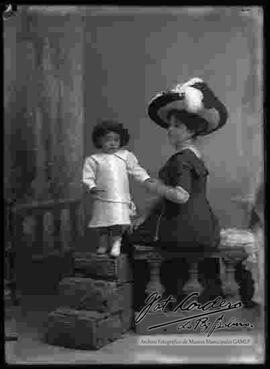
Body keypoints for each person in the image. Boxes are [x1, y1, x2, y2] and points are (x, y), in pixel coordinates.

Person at [130, 77, 228, 302]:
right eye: (170, 125)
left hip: (186, 227)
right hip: (204, 224)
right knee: (139, 226)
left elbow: (181, 196)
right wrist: (146, 214)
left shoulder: (181, 160)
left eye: (177, 126)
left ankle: (146, 303)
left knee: (130, 237)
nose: (170, 130)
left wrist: (154, 185)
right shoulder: (193, 155)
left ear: (191, 131)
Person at [82, 119, 189, 257]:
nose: (113, 143)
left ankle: (116, 244)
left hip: (119, 196)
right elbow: (88, 176)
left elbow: (136, 170)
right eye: (108, 140)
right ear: (99, 140)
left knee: (117, 222)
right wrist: (92, 186)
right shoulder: (94, 159)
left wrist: (145, 179)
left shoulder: (125, 156)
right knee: (102, 222)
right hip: (103, 197)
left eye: (116, 139)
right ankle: (103, 244)